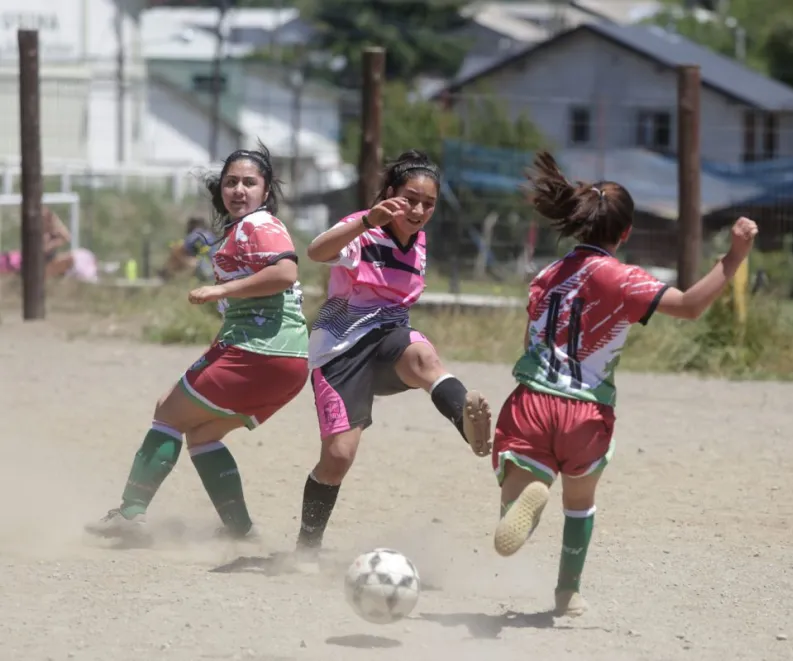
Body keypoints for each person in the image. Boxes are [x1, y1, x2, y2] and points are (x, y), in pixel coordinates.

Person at [491, 151, 758, 617]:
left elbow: (529, 338)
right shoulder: (623, 279)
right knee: (580, 502)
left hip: (531, 399)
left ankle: (522, 503)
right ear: (626, 232)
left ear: (578, 223)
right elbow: (691, 305)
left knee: (517, 492)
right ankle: (567, 594)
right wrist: (733, 258)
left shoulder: (547, 276)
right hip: (584, 410)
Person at [85, 144, 311, 541]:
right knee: (203, 434)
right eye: (231, 182)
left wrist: (218, 291)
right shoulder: (238, 230)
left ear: (266, 189)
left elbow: (286, 273)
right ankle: (240, 530)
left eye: (249, 182)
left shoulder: (261, 224)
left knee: (168, 413)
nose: (239, 189)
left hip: (260, 351)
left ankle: (129, 513)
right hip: (288, 360)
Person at [292, 149, 493, 564]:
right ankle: (306, 549)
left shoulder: (419, 241)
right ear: (389, 194)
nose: (419, 209)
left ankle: (468, 424)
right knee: (338, 458)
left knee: (424, 359)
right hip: (340, 350)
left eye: (429, 203)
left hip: (389, 341)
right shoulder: (364, 229)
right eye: (411, 198)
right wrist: (366, 220)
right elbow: (315, 252)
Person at [160, 216, 218, 282]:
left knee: (176, 249)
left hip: (204, 269)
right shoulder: (210, 234)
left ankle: (166, 273)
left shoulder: (194, 235)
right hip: (217, 270)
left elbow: (182, 250)